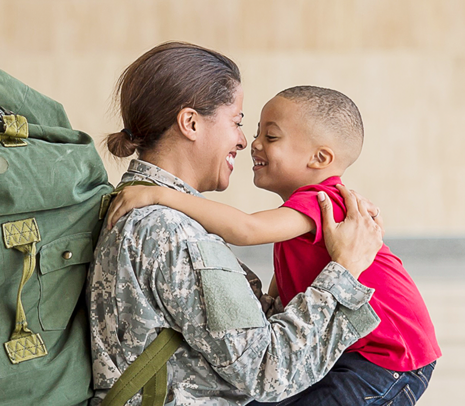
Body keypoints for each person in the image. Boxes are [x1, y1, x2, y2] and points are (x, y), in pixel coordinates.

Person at [89, 42, 388, 405]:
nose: (245, 141)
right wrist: (346, 269)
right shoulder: (171, 231)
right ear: (191, 123)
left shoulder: (146, 206)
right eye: (237, 122)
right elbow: (269, 370)